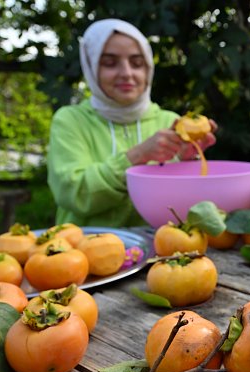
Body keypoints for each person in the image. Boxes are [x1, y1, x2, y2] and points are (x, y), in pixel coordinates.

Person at [47, 19, 216, 227]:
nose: (127, 73)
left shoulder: (170, 122)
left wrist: (186, 162)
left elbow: (184, 206)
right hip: (84, 252)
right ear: (91, 67)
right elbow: (73, 193)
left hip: (164, 251)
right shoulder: (71, 120)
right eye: (109, 63)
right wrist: (138, 155)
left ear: (148, 69)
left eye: (137, 63)